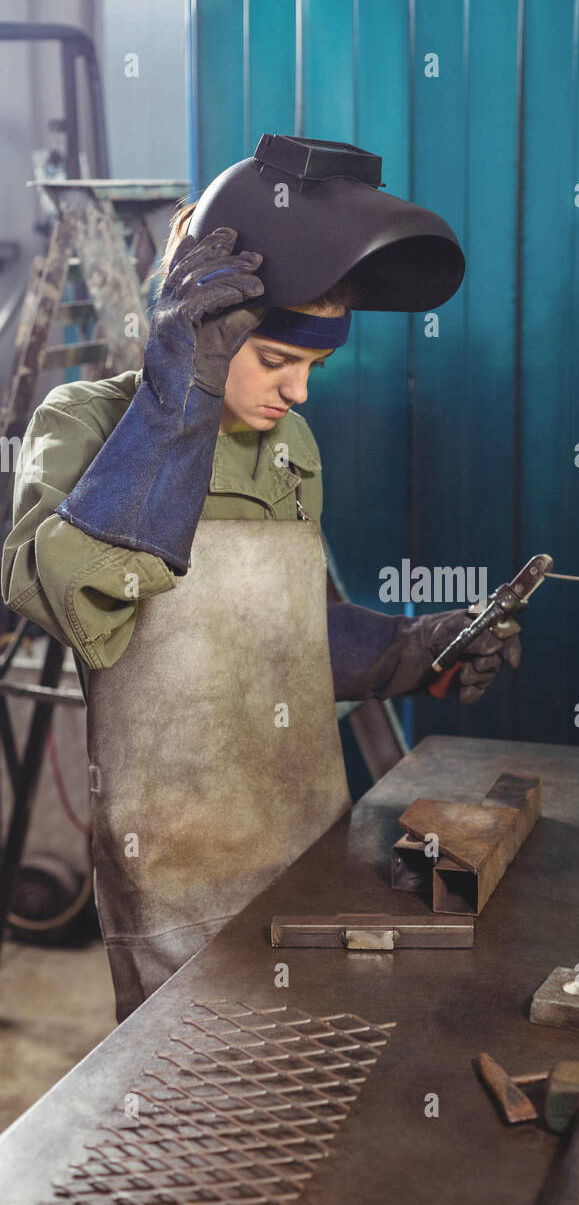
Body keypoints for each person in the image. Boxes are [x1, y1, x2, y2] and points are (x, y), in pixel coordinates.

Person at [2, 134, 523, 1022]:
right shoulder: (82, 422)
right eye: (278, 362)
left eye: (313, 369)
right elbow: (84, 607)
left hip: (312, 856)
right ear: (206, 326)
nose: (300, 394)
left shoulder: (290, 448)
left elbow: (291, 637)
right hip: (177, 882)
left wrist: (412, 647)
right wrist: (180, 404)